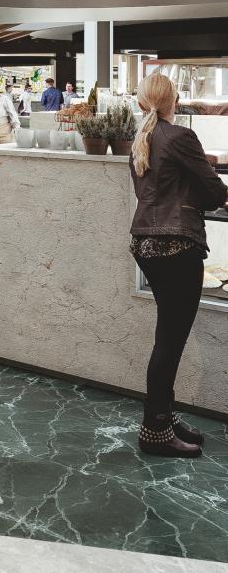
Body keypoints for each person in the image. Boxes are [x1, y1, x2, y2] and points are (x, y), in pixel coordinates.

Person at [129, 71, 227, 458]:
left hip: (145, 244)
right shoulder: (180, 136)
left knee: (166, 339)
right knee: (170, 343)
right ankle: (155, 431)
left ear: (141, 102)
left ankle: (164, 417)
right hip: (175, 245)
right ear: (174, 101)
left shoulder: (142, 137)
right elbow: (213, 189)